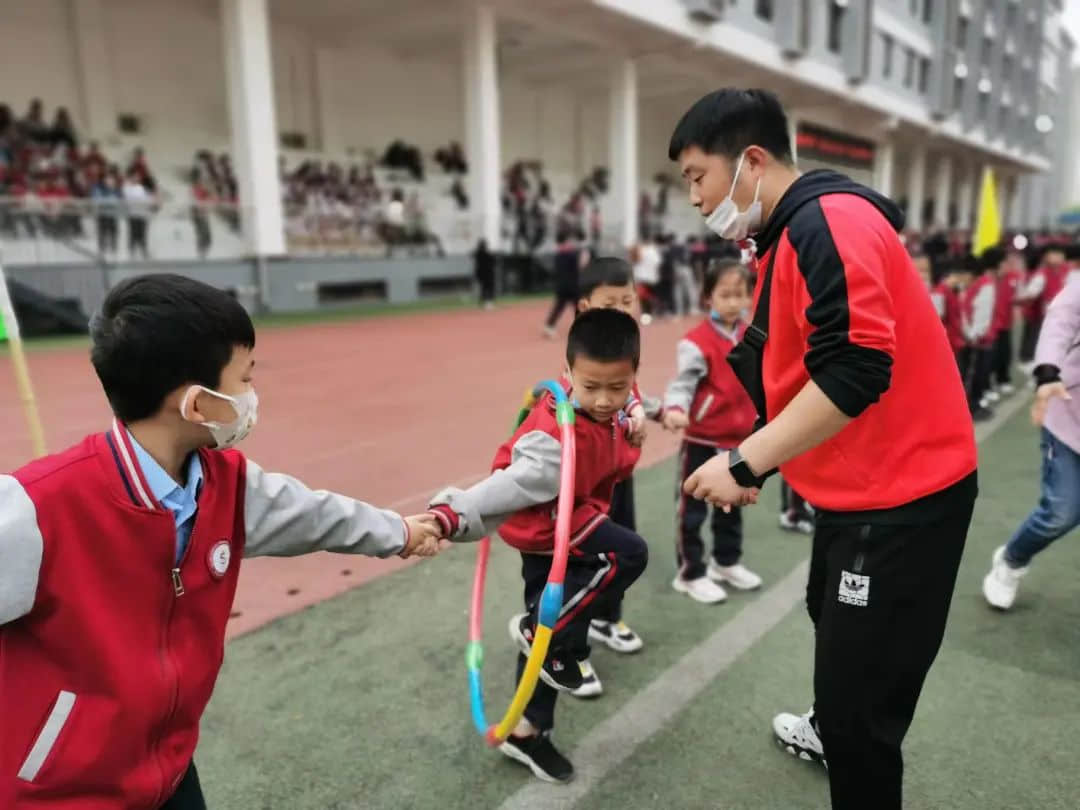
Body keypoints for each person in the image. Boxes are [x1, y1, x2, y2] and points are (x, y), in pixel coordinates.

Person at [0, 274, 442, 810]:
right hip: (60, 794)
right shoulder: (37, 510)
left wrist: (398, 532)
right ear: (197, 405)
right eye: (245, 378)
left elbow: (310, 513)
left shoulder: (225, 482)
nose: (253, 396)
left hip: (169, 773)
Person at [668, 88, 977, 810]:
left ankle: (844, 728)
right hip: (864, 493)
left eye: (695, 176)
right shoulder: (788, 235)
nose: (693, 196)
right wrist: (765, 458)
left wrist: (745, 461)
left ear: (750, 161)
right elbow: (803, 371)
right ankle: (832, 720)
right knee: (828, 617)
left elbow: (858, 368)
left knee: (860, 707)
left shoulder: (827, 223)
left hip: (903, 498)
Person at [427, 309, 649, 783]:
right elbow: (503, 488)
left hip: (575, 521)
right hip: (551, 532)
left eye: (618, 388)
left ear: (633, 378)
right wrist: (452, 512)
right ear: (566, 374)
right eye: (592, 387)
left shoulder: (610, 411)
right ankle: (538, 637)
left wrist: (633, 421)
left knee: (558, 639)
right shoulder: (551, 440)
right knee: (626, 555)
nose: (605, 399)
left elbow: (615, 458)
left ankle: (527, 731)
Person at [567, 257, 653, 698]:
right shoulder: (583, 356)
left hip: (619, 472)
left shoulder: (625, 347)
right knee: (584, 560)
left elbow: (631, 391)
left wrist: (642, 409)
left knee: (621, 547)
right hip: (586, 483)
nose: (622, 310)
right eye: (610, 303)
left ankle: (605, 617)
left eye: (628, 301)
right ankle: (571, 648)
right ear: (585, 307)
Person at [662, 258, 762, 604]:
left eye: (740, 294)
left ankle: (726, 561)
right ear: (708, 298)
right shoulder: (696, 342)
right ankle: (690, 573)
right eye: (725, 294)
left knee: (732, 505)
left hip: (739, 441)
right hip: (702, 440)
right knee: (691, 511)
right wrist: (676, 408)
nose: (733, 302)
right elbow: (683, 383)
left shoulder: (753, 335)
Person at [983, 276, 1080, 609]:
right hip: (1069, 421)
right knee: (1062, 512)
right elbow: (1062, 318)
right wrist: (1049, 371)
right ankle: (1011, 561)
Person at [961, 249, 1001, 421]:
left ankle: (974, 406)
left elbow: (982, 316)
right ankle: (969, 406)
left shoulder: (985, 286)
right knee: (971, 374)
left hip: (977, 341)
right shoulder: (968, 286)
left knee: (977, 374)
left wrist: (973, 335)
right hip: (968, 340)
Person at [1018, 246, 1069, 368]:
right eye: (1054, 254)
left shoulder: (1066, 271)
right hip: (1047, 314)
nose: (1057, 257)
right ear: (1046, 257)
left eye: (1059, 254)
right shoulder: (1042, 274)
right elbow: (1031, 291)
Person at [543, 230, 587, 338]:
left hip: (561, 284)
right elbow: (580, 267)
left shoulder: (558, 255)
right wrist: (584, 258)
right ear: (566, 240)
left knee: (559, 306)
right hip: (573, 285)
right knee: (578, 306)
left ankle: (549, 326)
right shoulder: (571, 254)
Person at [474, 238, 497, 310]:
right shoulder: (485, 254)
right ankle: (488, 303)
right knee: (488, 288)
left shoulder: (478, 253)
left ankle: (484, 302)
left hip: (482, 274)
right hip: (487, 274)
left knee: (484, 288)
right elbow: (493, 262)